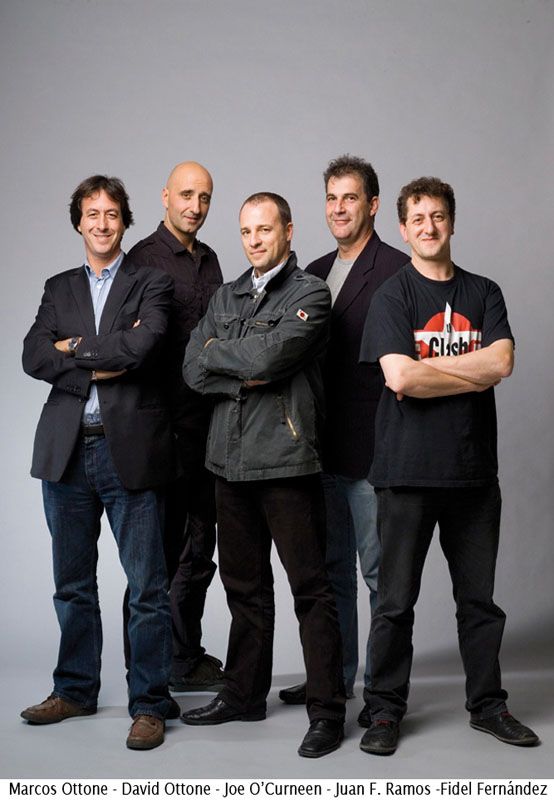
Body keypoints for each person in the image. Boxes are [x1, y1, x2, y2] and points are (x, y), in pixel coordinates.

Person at [358, 176, 539, 755]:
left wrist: (432, 370)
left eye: (438, 216)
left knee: (479, 604)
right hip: (406, 473)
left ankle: (489, 706)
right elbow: (400, 376)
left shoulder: (484, 291)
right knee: (394, 604)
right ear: (403, 229)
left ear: (452, 223)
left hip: (473, 475)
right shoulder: (392, 295)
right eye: (418, 219)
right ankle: (384, 712)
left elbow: (502, 363)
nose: (429, 227)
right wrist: (471, 370)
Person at [181, 192, 346, 758]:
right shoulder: (225, 295)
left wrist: (226, 354)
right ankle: (244, 694)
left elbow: (271, 358)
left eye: (264, 230)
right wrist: (239, 366)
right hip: (227, 463)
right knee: (243, 589)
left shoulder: (310, 293)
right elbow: (191, 367)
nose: (254, 240)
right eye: (246, 231)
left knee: (310, 590)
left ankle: (327, 711)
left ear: (288, 231)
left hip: (286, 461)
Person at [21, 175, 178, 751]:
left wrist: (70, 348)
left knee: (147, 587)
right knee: (72, 585)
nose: (103, 223)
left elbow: (141, 347)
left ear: (124, 221)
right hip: (65, 452)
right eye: (93, 214)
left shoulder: (150, 282)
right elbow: (31, 355)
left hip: (128, 448)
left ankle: (150, 703)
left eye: (112, 213)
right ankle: (75, 689)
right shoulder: (58, 287)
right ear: (79, 222)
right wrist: (100, 355)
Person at [279, 155, 408, 725]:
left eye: (349, 198)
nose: (338, 208)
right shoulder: (314, 269)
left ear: (372, 205)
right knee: (331, 575)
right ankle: (333, 677)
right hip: (317, 450)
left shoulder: (397, 270)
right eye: (331, 198)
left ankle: (382, 693)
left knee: (379, 576)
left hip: (374, 450)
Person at [127, 161, 224, 692]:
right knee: (157, 558)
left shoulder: (210, 260)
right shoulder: (142, 260)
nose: (195, 206)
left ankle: (184, 657)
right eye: (186, 195)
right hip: (160, 432)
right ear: (165, 196)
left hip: (208, 429)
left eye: (204, 197)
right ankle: (146, 670)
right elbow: (132, 347)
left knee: (199, 553)